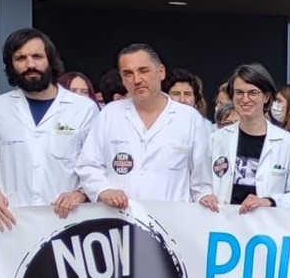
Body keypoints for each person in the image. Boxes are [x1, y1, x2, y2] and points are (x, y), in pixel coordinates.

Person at [0, 28, 97, 230]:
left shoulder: (83, 108)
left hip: (68, 222)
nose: (30, 64)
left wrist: (80, 193)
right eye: (20, 58)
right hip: (12, 222)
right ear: (11, 65)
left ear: (50, 60)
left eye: (37, 56)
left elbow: (96, 163)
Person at [76, 44, 211, 208]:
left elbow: (201, 183)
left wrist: (206, 201)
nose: (137, 80)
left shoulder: (189, 119)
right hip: (119, 222)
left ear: (161, 72)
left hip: (172, 224)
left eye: (143, 71)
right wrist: (104, 190)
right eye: (128, 74)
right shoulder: (109, 114)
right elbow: (89, 165)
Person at [203, 63, 290, 213]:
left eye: (252, 93)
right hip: (223, 225)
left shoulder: (289, 143)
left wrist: (268, 201)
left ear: (266, 97)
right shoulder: (216, 139)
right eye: (239, 93)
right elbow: (203, 183)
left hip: (265, 229)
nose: (245, 99)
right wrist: (206, 195)